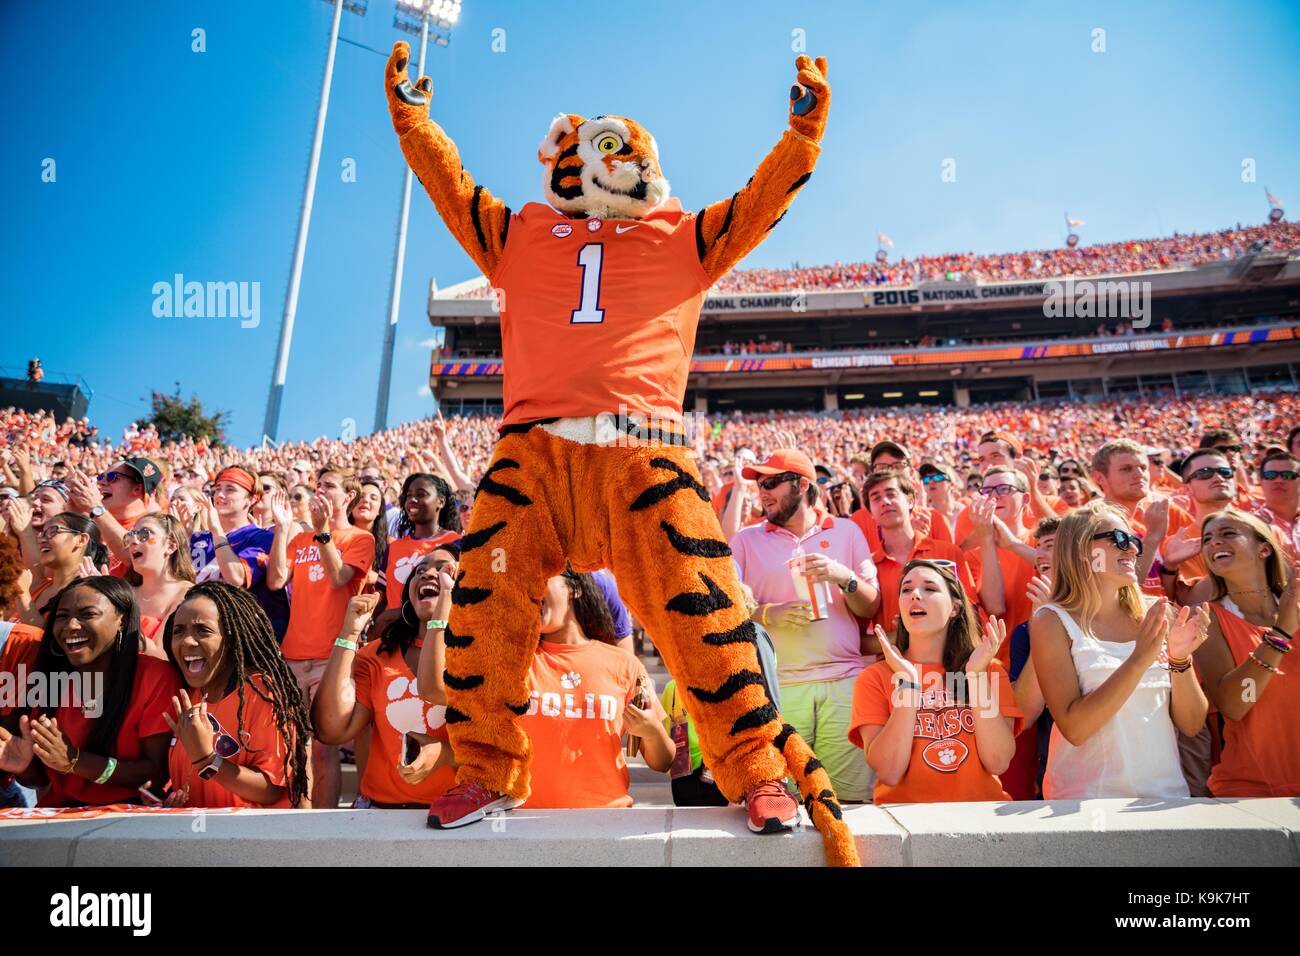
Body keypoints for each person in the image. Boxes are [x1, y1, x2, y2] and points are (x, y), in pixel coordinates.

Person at [1030, 502, 1210, 799]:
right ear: (1080, 550)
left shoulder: (1158, 612)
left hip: (1165, 798)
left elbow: (1191, 724)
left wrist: (1180, 659)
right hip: (1088, 801)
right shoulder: (1052, 619)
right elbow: (1074, 728)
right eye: (1118, 540)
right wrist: (1139, 660)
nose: (1131, 550)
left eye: (1134, 541)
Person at [731, 448, 881, 804]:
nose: (761, 492)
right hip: (779, 686)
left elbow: (872, 603)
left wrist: (843, 576)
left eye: (769, 483)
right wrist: (769, 614)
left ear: (801, 484)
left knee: (849, 802)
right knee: (786, 802)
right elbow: (728, 604)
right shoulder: (746, 539)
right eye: (758, 485)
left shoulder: (846, 531)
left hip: (843, 683)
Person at [849, 560, 1020, 804]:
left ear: (955, 608)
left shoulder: (989, 671)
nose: (915, 595)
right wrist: (909, 686)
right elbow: (889, 772)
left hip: (980, 816)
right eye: (906, 589)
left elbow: (998, 761)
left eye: (930, 588)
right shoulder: (875, 678)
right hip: (908, 822)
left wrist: (976, 676)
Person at [3, 576, 180, 807]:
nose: (71, 626)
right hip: (57, 820)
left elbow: (155, 774)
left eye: (87, 614)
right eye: (62, 617)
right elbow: (42, 780)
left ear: (122, 621)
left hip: (129, 820)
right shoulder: (49, 680)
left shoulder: (155, 677)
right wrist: (24, 766)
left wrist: (75, 761)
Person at [316, 549, 461, 808]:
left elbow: (494, 751)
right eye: (420, 571)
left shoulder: (482, 656)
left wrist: (445, 754)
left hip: (455, 814)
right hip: (381, 812)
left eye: (443, 569)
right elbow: (331, 729)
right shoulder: (378, 654)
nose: (428, 573)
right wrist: (348, 633)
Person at [268, 466, 375, 808]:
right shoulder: (300, 539)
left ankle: (323, 825)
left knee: (323, 750)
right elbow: (275, 581)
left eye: (329, 486)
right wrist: (283, 529)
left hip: (333, 659)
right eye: (318, 485)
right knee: (293, 747)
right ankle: (298, 818)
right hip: (293, 656)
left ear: (349, 497)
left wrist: (324, 533)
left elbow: (338, 578)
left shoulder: (361, 539)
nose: (320, 490)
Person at [161, 582, 309, 808]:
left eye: (203, 630)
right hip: (196, 836)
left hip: (250, 839)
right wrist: (173, 800)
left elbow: (271, 790)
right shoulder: (187, 694)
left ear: (231, 639)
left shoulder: (265, 693)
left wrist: (208, 760)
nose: (187, 641)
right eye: (178, 631)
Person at [1191, 510, 1299, 797]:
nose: (1214, 543)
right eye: (1207, 539)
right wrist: (1281, 635)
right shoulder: (1206, 618)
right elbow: (1236, 704)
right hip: (1254, 790)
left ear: (1264, 548)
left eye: (1228, 534)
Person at [863, 471, 978, 634]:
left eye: (891, 494)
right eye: (876, 498)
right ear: (871, 514)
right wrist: (900, 639)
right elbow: (858, 640)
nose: (885, 501)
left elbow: (970, 614)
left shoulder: (947, 553)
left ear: (910, 501)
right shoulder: (868, 567)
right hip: (890, 659)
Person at [373, 473, 459, 633]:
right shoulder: (394, 547)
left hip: (438, 636)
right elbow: (383, 598)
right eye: (409, 495)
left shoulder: (457, 543)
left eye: (421, 494)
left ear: (440, 501)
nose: (412, 500)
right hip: (394, 640)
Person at [64, 457, 163, 578]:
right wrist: (73, 507)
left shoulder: (158, 526)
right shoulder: (96, 519)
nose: (101, 482)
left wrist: (95, 507)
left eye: (112, 477)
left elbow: (132, 555)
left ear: (137, 488)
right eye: (101, 477)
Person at [15, 512, 107, 627]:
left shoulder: (86, 592)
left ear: (81, 540)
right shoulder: (40, 587)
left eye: (52, 531)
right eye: (42, 534)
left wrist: (22, 595)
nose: (41, 540)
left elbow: (49, 640)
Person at [123, 513, 194, 647]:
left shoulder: (187, 594)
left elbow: (161, 654)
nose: (133, 541)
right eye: (130, 535)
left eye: (144, 533)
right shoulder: (125, 592)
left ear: (171, 546)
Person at [1253, 450, 1299, 560]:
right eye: (1271, 475)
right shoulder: (1249, 524)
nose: (1278, 480)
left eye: (1287, 475)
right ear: (1261, 480)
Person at [347, 477, 389, 590]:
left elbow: (398, 587)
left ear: (380, 510)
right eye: (360, 496)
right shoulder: (335, 539)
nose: (365, 500)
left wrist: (378, 579)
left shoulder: (392, 545)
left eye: (373, 498)